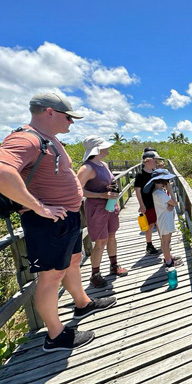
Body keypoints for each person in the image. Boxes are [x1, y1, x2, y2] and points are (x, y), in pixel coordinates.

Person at [0, 93, 116, 352]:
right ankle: (55, 335)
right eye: (68, 117)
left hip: (68, 217)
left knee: (73, 261)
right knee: (50, 278)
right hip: (48, 223)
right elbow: (2, 171)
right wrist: (38, 207)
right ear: (49, 112)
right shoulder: (26, 138)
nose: (71, 123)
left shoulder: (49, 140)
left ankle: (82, 303)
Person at [77, 135, 128, 288]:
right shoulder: (87, 168)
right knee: (100, 241)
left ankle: (114, 265)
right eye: (105, 146)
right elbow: (77, 190)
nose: (108, 148)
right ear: (98, 149)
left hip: (110, 206)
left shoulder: (103, 165)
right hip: (96, 209)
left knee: (112, 236)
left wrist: (110, 191)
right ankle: (95, 274)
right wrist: (101, 195)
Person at [144, 169, 184, 268]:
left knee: (165, 240)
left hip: (163, 219)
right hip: (165, 220)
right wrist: (170, 190)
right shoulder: (160, 193)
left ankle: (168, 256)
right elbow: (174, 202)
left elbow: (169, 204)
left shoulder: (157, 192)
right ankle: (169, 262)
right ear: (163, 181)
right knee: (166, 242)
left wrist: (170, 205)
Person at [134, 150, 165, 254]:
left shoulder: (154, 172)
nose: (156, 162)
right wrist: (141, 205)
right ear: (147, 161)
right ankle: (149, 245)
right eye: (155, 160)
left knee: (159, 223)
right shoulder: (140, 174)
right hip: (147, 203)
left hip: (157, 202)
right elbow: (137, 191)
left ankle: (163, 243)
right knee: (150, 225)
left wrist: (160, 169)